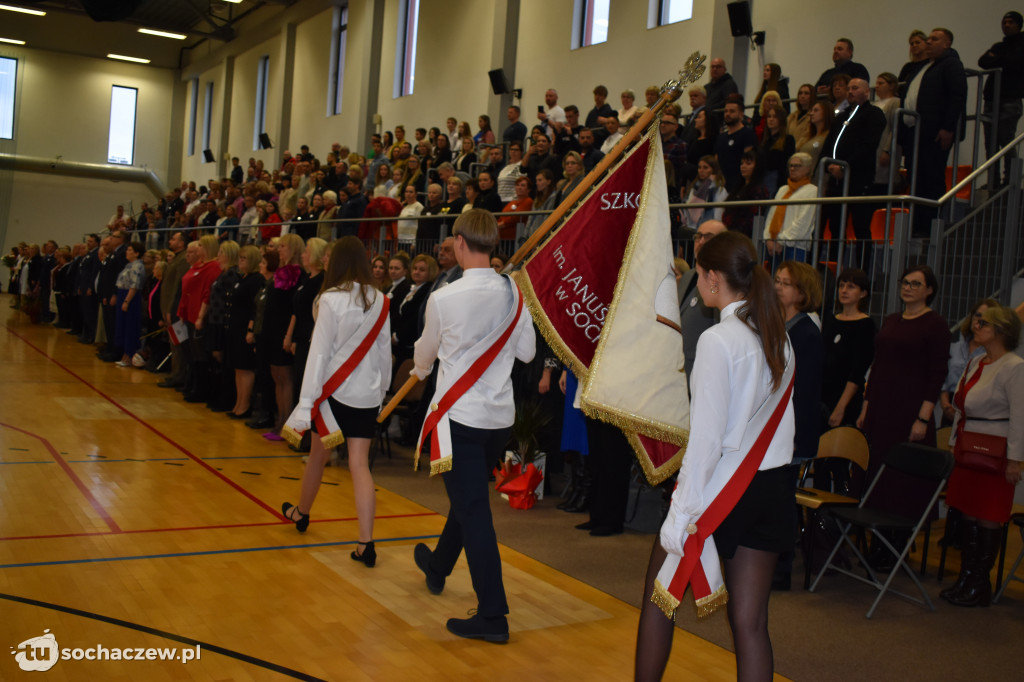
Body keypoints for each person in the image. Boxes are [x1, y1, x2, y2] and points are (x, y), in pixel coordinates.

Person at [636, 231, 794, 682]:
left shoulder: (717, 339)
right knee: (750, 623)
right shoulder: (779, 336)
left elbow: (706, 440)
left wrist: (678, 513)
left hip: (723, 491)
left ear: (710, 279)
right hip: (773, 486)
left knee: (659, 598)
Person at [412, 209, 536, 642]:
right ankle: (439, 565)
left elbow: (424, 356)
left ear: (461, 243)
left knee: (475, 511)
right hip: (497, 419)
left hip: (459, 418)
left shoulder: (445, 297)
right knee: (468, 500)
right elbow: (525, 353)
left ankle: (493, 615)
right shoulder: (515, 294)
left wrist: (422, 366)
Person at [281, 237, 392, 569]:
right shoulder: (381, 299)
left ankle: (302, 513)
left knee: (318, 455)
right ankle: (366, 542)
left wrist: (305, 402)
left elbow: (318, 354)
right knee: (359, 465)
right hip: (366, 396)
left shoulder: (328, 299)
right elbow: (385, 352)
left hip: (332, 394)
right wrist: (382, 391)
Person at [856, 265, 950, 565]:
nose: (908, 287)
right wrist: (866, 406)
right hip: (881, 407)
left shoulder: (935, 324)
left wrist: (923, 417)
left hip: (910, 411)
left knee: (901, 480)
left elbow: (937, 374)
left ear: (929, 290)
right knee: (878, 475)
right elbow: (878, 364)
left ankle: (895, 544)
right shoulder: (892, 320)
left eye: (916, 283)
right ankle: (878, 540)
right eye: (905, 282)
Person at [943, 304, 1024, 607]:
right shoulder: (977, 361)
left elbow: (1020, 416)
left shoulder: (1015, 366)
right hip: (968, 446)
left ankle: (980, 582)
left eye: (983, 322)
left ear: (1001, 330)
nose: (976, 325)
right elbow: (961, 407)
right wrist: (954, 442)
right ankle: (965, 577)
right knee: (967, 513)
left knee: (988, 516)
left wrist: (1015, 459)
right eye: (977, 321)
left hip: (997, 451)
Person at [899, 28, 967, 235]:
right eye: (928, 39)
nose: (929, 42)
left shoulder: (950, 64)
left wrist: (948, 128)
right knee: (916, 181)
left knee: (931, 180)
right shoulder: (926, 67)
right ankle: (918, 227)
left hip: (934, 132)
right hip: (916, 133)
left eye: (934, 39)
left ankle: (929, 227)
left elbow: (957, 96)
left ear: (947, 43)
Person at [821, 268, 876, 428]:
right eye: (842, 286)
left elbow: (858, 372)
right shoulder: (832, 319)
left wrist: (840, 407)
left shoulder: (865, 325)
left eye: (851, 287)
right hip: (823, 395)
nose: (844, 290)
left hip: (846, 399)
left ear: (863, 293)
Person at [978, 12, 1024, 187]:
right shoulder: (999, 45)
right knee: (990, 144)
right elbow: (983, 61)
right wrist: (1001, 59)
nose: (1006, 25)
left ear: (1019, 25)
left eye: (1010, 22)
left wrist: (997, 59)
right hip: (992, 100)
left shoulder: (1020, 45)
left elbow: (1014, 62)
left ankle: (1010, 182)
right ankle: (993, 181)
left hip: (1010, 100)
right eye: (1004, 22)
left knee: (1006, 141)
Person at [940, 299, 998, 423]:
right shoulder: (954, 348)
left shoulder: (993, 353)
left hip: (979, 413)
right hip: (949, 408)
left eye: (986, 318)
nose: (979, 321)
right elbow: (943, 380)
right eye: (977, 315)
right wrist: (945, 406)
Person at [227, 245, 264, 419]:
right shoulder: (242, 278)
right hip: (235, 326)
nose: (240, 261)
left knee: (245, 366)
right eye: (239, 258)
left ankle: (245, 405)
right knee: (238, 367)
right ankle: (238, 402)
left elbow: (254, 308)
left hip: (245, 327)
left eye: (244, 259)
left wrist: (250, 330)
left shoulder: (256, 280)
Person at [763, 153, 817, 265]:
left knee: (793, 281)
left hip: (796, 247)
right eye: (791, 166)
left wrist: (781, 240)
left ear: (807, 169)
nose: (792, 169)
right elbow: (771, 216)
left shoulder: (812, 190)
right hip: (774, 245)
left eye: (797, 166)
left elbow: (803, 222)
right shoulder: (783, 189)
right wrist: (768, 238)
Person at [722, 150, 770, 238]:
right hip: (729, 233)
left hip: (744, 236)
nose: (743, 166)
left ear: (757, 166)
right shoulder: (738, 187)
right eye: (742, 163)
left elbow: (752, 218)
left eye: (748, 163)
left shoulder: (759, 190)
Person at [113, 242, 146, 367]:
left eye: (130, 250)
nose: (127, 252)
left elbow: (134, 286)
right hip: (122, 294)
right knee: (123, 325)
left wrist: (126, 301)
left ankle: (129, 354)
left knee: (130, 326)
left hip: (130, 297)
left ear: (137, 253)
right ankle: (124, 354)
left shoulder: (137, 266)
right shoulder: (129, 265)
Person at [683, 156, 728, 230]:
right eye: (699, 167)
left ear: (713, 169)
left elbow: (718, 213)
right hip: (692, 228)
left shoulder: (720, 190)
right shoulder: (694, 188)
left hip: (711, 227)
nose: (701, 170)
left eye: (705, 168)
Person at [796, 101, 834, 168]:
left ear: (826, 113)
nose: (811, 113)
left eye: (816, 110)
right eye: (811, 110)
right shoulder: (808, 136)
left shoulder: (829, 137)